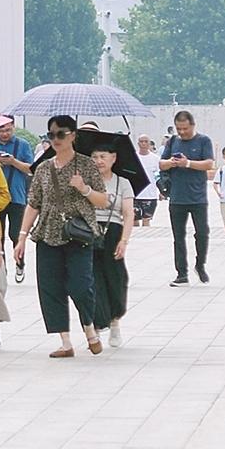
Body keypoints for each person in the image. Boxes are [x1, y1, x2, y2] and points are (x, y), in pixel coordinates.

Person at [15, 115, 112, 359]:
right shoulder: (43, 168)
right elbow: (33, 203)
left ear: (73, 136)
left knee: (81, 285)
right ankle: (65, 341)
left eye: (61, 134)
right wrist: (22, 237)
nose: (56, 139)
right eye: (51, 135)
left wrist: (84, 188)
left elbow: (103, 200)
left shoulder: (86, 165)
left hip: (77, 234)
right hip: (48, 233)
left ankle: (89, 328)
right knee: (50, 287)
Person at [158, 110, 217, 284]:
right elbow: (161, 163)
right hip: (177, 197)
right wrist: (172, 162)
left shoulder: (203, 141)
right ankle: (181, 273)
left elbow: (209, 163)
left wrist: (188, 163)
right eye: (179, 129)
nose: (182, 132)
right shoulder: (172, 141)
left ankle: (200, 264)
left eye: (185, 128)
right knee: (178, 237)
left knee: (202, 233)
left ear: (192, 125)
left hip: (198, 197)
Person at [88, 135, 134, 348]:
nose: (98, 161)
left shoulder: (122, 183)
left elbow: (128, 213)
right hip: (88, 232)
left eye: (103, 156)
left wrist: (124, 240)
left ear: (113, 158)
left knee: (116, 278)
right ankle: (96, 327)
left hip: (113, 232)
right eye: (94, 157)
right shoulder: (85, 182)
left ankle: (115, 321)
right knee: (91, 279)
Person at [0, 126, 37, 251]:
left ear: (13, 127)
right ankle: (0, 262)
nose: (4, 134)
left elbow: (31, 169)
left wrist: (13, 161)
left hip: (17, 196)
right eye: (1, 131)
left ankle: (20, 261)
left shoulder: (23, 145)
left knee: (16, 235)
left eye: (8, 130)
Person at [134, 136, 161, 226]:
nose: (144, 144)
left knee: (146, 220)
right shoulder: (133, 157)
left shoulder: (156, 159)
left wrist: (161, 191)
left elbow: (158, 176)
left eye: (146, 141)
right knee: (134, 220)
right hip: (135, 195)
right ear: (138, 143)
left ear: (149, 143)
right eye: (141, 141)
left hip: (150, 195)